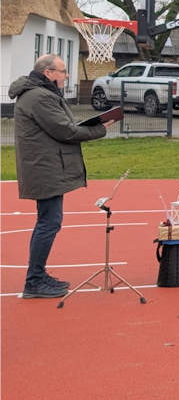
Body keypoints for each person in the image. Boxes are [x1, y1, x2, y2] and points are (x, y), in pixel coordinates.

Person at [12, 55, 113, 299]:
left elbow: (62, 125)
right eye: (63, 71)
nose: (66, 76)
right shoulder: (39, 96)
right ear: (48, 73)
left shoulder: (41, 93)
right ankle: (34, 281)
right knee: (49, 223)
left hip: (45, 166)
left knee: (48, 221)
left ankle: (38, 275)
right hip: (44, 168)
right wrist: (100, 129)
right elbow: (64, 130)